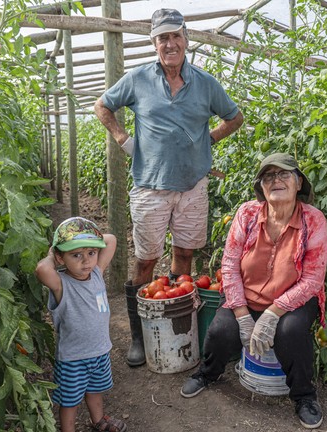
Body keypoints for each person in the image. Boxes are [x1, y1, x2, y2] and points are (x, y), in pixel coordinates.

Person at [94, 8, 244, 368]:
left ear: (186, 39)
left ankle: (179, 328)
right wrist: (122, 138)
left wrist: (209, 139)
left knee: (184, 257)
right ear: (154, 43)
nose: (170, 43)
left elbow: (235, 117)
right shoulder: (138, 79)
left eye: (176, 35)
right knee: (145, 259)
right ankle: (138, 337)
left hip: (193, 187)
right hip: (151, 186)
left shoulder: (205, 83)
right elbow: (102, 106)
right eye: (163, 37)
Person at [180, 153, 327, 429]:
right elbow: (229, 264)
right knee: (221, 332)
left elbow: (312, 279)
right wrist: (241, 314)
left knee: (291, 332)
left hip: (292, 301)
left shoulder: (313, 220)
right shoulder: (247, 214)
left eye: (284, 174)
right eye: (268, 176)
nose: (276, 181)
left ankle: (304, 396)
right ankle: (207, 373)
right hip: (246, 297)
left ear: (298, 183)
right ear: (261, 186)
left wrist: (273, 313)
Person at [35, 217, 125, 432]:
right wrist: (54, 254)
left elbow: (111, 239)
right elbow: (42, 270)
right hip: (73, 357)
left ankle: (98, 421)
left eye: (91, 253)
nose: (86, 260)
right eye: (76, 255)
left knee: (95, 391)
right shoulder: (61, 284)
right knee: (69, 401)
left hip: (99, 352)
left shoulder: (96, 273)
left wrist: (83, 234)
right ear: (61, 258)